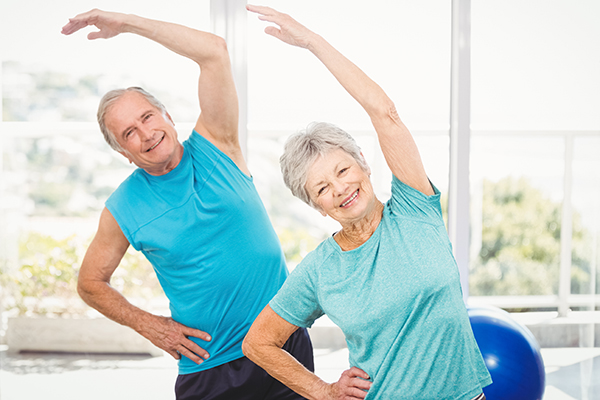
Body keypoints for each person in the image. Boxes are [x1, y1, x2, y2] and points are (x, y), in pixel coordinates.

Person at [61, 9, 313, 400]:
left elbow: (213, 52)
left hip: (283, 344)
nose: (146, 133)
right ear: (123, 153)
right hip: (212, 368)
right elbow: (90, 283)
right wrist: (152, 326)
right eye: (129, 132)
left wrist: (127, 24)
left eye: (147, 116)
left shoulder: (218, 144)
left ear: (168, 115)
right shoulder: (123, 207)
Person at [243, 5, 492, 400]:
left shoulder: (415, 209)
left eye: (342, 171)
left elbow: (385, 113)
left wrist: (312, 43)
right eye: (322, 188)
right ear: (317, 206)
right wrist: (322, 391)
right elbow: (257, 343)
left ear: (363, 163)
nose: (339, 189)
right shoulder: (320, 271)